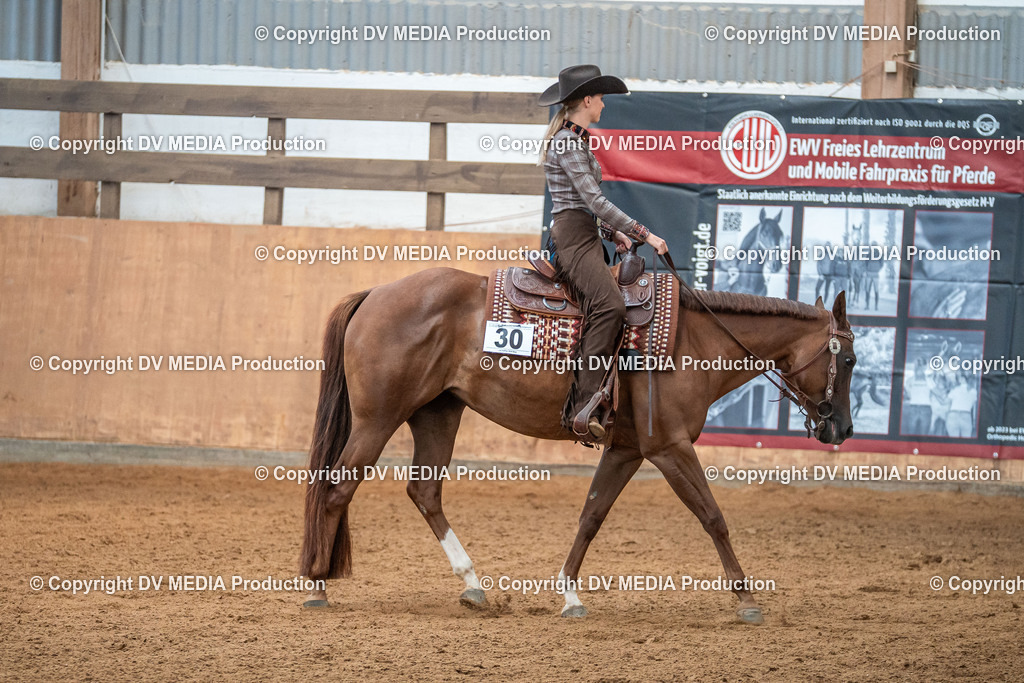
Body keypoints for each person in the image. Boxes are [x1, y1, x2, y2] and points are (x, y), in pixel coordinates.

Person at [538, 64, 668, 440]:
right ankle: (582, 408)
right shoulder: (568, 143)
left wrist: (613, 235)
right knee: (609, 305)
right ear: (588, 100)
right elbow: (593, 200)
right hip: (572, 240)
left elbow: (583, 205)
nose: (604, 106)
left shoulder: (574, 141)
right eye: (602, 99)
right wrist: (644, 233)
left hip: (582, 234)